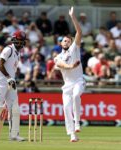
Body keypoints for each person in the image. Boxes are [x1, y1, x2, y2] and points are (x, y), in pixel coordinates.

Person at [54, 7, 85, 142]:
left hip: (78, 81)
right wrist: (71, 66)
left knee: (76, 95)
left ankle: (77, 122)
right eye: (64, 41)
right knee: (66, 108)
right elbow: (61, 65)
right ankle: (72, 134)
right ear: (60, 43)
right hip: (67, 85)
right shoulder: (57, 57)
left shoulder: (74, 49)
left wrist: (72, 16)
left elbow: (79, 31)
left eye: (69, 41)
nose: (67, 42)